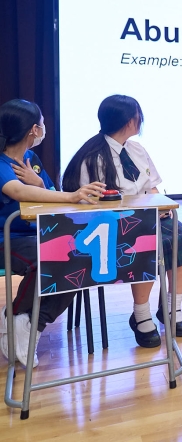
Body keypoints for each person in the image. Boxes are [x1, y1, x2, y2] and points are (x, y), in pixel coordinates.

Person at [62, 95, 182, 348]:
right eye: (138, 116)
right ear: (128, 121)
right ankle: (141, 314)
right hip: (112, 225)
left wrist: (160, 206)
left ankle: (171, 308)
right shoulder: (93, 157)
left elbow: (152, 187)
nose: (141, 120)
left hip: (147, 216)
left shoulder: (137, 149)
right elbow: (91, 205)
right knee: (149, 244)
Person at [0, 99, 106, 368]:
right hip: (8, 239)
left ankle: (29, 323)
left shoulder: (31, 160)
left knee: (82, 258)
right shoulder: (1, 162)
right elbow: (16, 190)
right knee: (46, 260)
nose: (43, 129)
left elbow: (50, 193)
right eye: (42, 124)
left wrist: (39, 182)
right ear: (33, 130)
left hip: (38, 233)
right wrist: (71, 196)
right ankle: (16, 317)